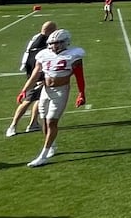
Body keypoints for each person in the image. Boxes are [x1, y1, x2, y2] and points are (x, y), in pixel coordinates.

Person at [18, 27, 85, 167]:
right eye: (51, 43)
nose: (53, 46)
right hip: (46, 90)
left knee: (51, 122)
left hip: (61, 91)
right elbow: (35, 74)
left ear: (66, 42)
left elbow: (79, 76)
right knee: (44, 121)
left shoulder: (73, 55)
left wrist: (81, 93)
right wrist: (24, 90)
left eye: (57, 43)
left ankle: (43, 155)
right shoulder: (43, 55)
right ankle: (52, 146)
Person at [7, 20, 56, 137]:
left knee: (40, 99)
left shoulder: (37, 38)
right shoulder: (42, 43)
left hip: (37, 74)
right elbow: (35, 62)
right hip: (36, 76)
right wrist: (38, 78)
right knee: (28, 101)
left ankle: (33, 123)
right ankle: (13, 125)